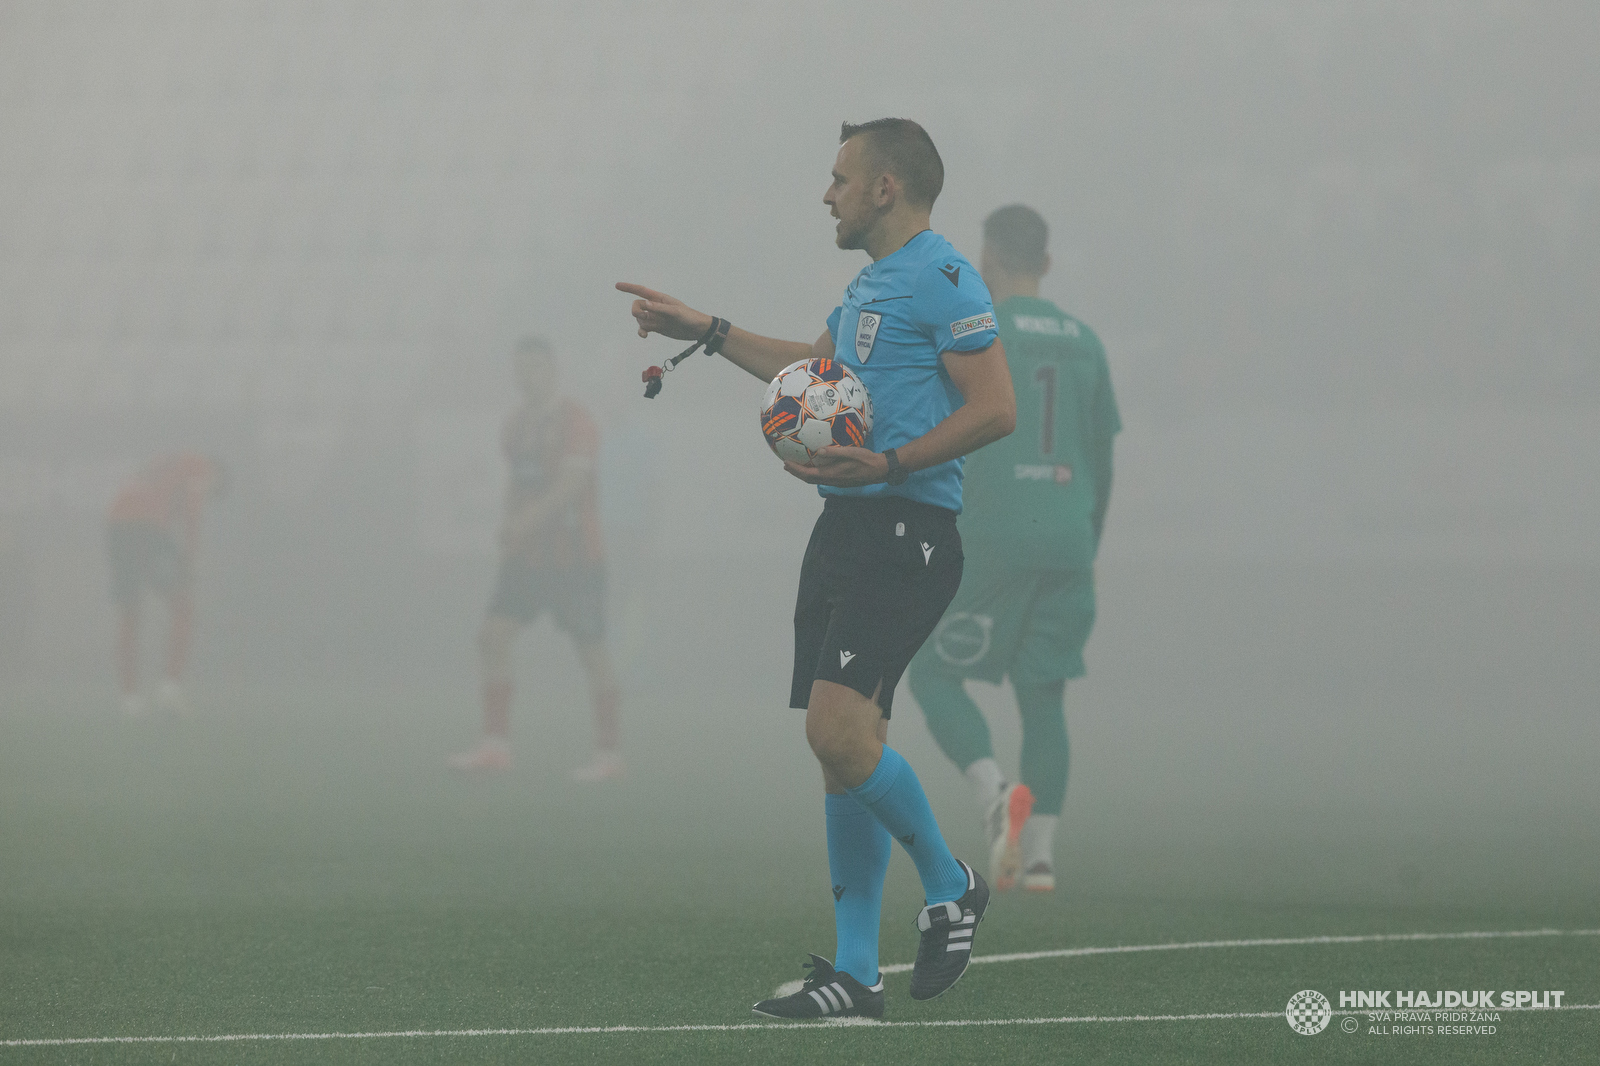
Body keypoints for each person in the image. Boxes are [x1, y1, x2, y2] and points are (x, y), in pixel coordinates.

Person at [617, 118, 1016, 1020]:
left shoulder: (944, 276)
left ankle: (953, 887)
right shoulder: (873, 282)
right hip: (848, 527)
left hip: (908, 529)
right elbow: (817, 367)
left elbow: (996, 408)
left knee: (837, 737)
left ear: (886, 187)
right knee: (844, 760)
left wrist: (892, 463)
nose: (824, 193)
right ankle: (857, 976)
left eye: (839, 177)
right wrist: (708, 330)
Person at [908, 205, 1120, 895]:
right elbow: (1102, 458)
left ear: (988, 260)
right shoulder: (1086, 342)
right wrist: (1086, 538)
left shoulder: (980, 333)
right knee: (1044, 696)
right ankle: (1040, 861)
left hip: (994, 536)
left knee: (934, 672)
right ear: (1048, 264)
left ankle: (992, 790)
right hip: (1069, 536)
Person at [448, 337, 623, 781]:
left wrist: (521, 523)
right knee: (492, 636)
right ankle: (495, 746)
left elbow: (569, 486)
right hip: (527, 559)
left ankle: (609, 756)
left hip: (575, 559)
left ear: (553, 370)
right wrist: (509, 522)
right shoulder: (515, 424)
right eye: (521, 369)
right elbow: (517, 482)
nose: (527, 377)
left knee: (593, 652)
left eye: (536, 368)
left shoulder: (577, 421)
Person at [106, 451, 226, 716]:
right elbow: (193, 511)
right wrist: (191, 560)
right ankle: (170, 689)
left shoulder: (162, 462)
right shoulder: (200, 464)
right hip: (147, 529)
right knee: (184, 607)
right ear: (217, 474)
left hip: (116, 525)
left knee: (130, 613)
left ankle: (129, 700)